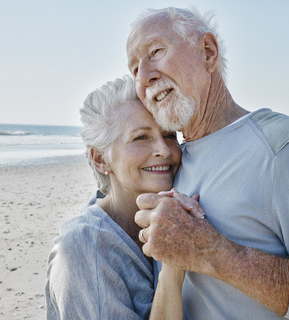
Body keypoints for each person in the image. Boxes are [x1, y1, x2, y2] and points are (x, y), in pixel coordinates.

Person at [127, 7, 289, 319]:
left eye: (156, 52)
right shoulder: (169, 165)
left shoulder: (286, 146)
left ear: (208, 52)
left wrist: (212, 252)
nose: (145, 77)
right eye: (134, 70)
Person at [45, 75, 200, 319]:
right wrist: (172, 268)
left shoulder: (172, 216)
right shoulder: (83, 246)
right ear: (101, 159)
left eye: (169, 135)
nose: (163, 149)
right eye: (141, 137)